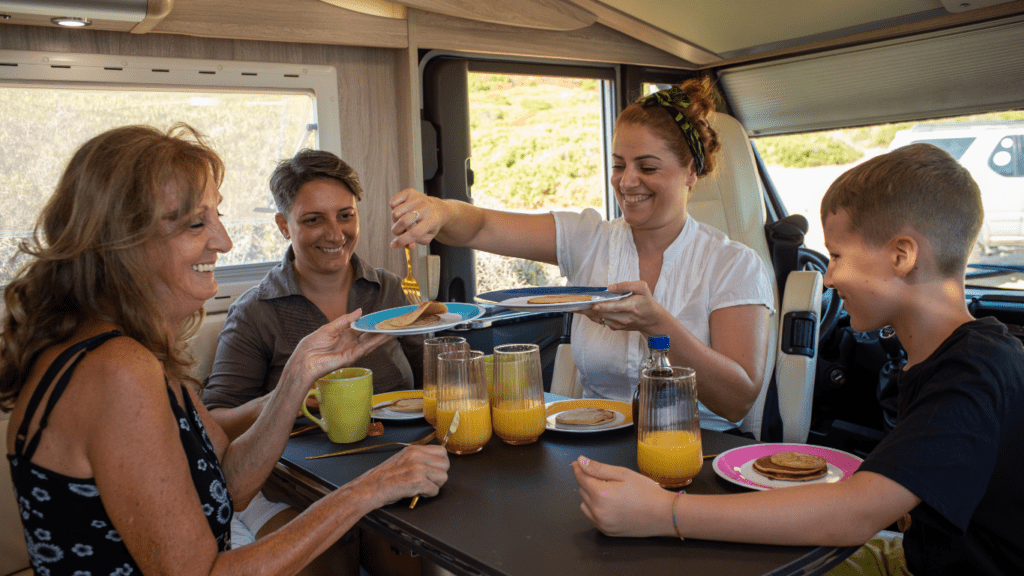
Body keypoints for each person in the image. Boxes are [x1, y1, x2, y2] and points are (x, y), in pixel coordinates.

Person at [1, 124, 449, 576]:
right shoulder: (116, 371)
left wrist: (300, 370)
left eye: (217, 217)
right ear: (123, 241)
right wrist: (366, 490)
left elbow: (226, 485)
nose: (224, 241)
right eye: (197, 223)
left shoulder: (129, 349)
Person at [571, 143, 1024, 575]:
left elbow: (856, 513)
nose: (827, 277)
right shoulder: (945, 359)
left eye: (839, 255)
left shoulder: (974, 370)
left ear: (902, 255)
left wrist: (664, 513)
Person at [390, 77, 774, 432]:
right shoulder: (589, 238)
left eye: (648, 167)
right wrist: (439, 211)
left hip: (696, 447)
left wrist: (657, 324)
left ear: (691, 171)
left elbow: (736, 401)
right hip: (595, 439)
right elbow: (481, 226)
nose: (627, 181)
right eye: (619, 165)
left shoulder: (733, 265)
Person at [202, 149, 424, 441]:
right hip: (304, 474)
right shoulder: (254, 312)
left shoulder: (392, 289)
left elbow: (431, 378)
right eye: (313, 220)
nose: (335, 235)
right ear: (284, 226)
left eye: (345, 216)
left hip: (404, 453)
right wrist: (280, 400)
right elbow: (213, 424)